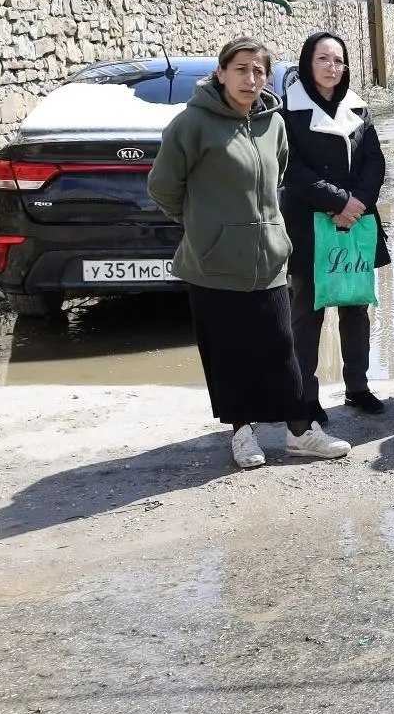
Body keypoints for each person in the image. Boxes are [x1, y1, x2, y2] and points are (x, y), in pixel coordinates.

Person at [148, 37, 350, 469]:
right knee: (228, 352)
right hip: (213, 263)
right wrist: (206, 228)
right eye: (241, 69)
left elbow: (274, 182)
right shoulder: (192, 125)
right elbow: (163, 187)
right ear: (221, 73)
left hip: (270, 258)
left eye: (259, 71)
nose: (250, 78)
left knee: (282, 347)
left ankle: (300, 432)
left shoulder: (272, 124)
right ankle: (242, 432)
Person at [281, 30, 390, 418]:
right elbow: (290, 168)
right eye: (323, 59)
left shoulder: (359, 108)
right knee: (308, 310)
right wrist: (338, 201)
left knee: (356, 305)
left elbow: (374, 159)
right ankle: (305, 396)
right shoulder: (287, 112)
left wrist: (358, 203)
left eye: (338, 60)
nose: (332, 67)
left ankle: (357, 386)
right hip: (311, 222)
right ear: (307, 64)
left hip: (355, 222)